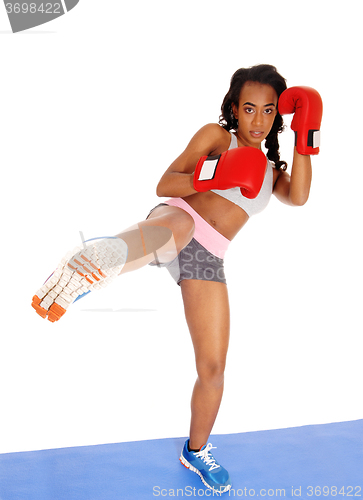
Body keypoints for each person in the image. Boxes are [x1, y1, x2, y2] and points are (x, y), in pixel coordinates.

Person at [31, 64, 322, 494]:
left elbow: (298, 196)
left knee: (214, 368)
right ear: (234, 109)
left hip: (208, 257)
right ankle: (93, 261)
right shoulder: (215, 137)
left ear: (279, 114)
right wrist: (217, 173)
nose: (257, 121)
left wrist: (307, 133)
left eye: (267, 111)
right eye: (248, 109)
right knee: (176, 230)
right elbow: (164, 183)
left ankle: (196, 450)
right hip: (178, 217)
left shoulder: (269, 168)